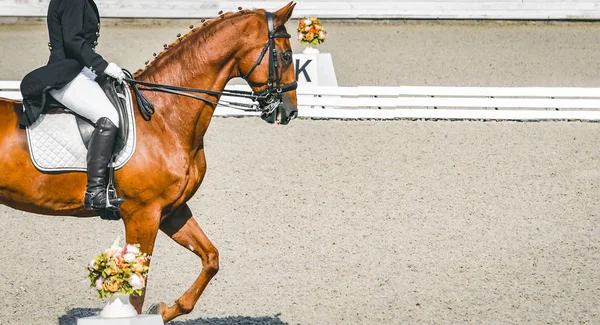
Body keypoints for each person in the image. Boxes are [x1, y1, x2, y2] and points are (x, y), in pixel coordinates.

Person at [20, 0, 125, 213]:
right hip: (67, 73)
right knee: (109, 117)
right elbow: (73, 41)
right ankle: (94, 192)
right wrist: (102, 65)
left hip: (79, 68)